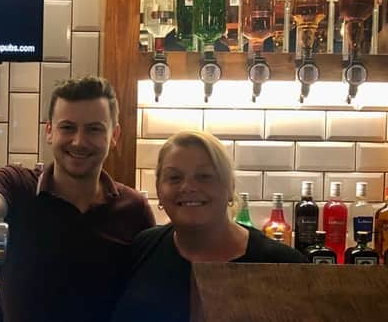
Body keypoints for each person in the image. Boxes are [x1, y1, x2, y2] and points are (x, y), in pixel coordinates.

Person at [0, 76, 155, 322]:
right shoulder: (19, 186)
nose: (79, 141)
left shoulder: (134, 209)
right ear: (49, 131)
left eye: (94, 129)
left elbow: (152, 291)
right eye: (67, 127)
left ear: (114, 136)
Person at [112, 130, 306, 322]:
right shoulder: (143, 247)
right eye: (174, 178)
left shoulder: (282, 265)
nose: (188, 186)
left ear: (230, 187)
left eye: (204, 176)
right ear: (158, 190)